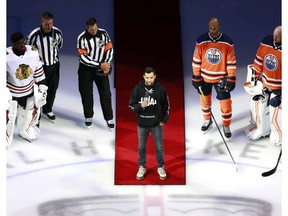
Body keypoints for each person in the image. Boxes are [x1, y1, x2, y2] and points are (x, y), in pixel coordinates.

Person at [191, 17, 237, 138]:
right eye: (210, 28)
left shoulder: (227, 41)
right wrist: (196, 76)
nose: (212, 30)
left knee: (226, 103)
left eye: (214, 28)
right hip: (205, 77)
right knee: (204, 100)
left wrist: (231, 78)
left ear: (219, 26)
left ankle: (226, 124)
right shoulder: (201, 40)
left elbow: (231, 61)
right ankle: (207, 120)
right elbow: (196, 60)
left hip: (221, 78)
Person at [129, 67, 170, 180]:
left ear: (155, 76)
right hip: (142, 124)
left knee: (159, 147)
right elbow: (131, 106)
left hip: (156, 124)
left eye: (151, 77)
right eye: (147, 77)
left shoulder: (160, 89)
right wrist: (140, 106)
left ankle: (160, 167)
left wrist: (164, 120)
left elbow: (167, 106)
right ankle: (142, 166)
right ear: (143, 77)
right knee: (141, 147)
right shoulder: (137, 89)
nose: (149, 80)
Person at [6, 32, 48, 142]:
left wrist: (42, 89)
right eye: (19, 43)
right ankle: (5, 134)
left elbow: (39, 73)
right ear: (13, 44)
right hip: (12, 93)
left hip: (28, 91)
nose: (23, 45)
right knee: (8, 115)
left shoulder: (33, 52)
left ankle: (25, 130)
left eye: (23, 42)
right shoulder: (6, 56)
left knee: (31, 112)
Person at [245, 26, 282, 145]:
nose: (274, 38)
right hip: (265, 83)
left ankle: (279, 136)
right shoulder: (266, 41)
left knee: (276, 113)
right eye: (274, 35)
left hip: (279, 88)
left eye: (278, 36)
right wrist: (253, 80)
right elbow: (259, 61)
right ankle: (260, 129)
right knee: (259, 108)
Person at [76, 17, 114, 130]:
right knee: (86, 93)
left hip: (102, 68)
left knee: (106, 93)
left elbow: (109, 49)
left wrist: (106, 64)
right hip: (86, 69)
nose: (94, 31)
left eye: (95, 29)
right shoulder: (81, 38)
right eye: (91, 30)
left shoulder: (103, 33)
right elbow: (83, 58)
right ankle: (88, 116)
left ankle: (109, 118)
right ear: (87, 28)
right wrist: (99, 65)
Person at [26, 11, 63, 123]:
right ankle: (37, 111)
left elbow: (59, 46)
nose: (49, 26)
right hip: (40, 68)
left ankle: (48, 109)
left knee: (53, 88)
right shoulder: (34, 35)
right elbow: (28, 50)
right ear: (42, 22)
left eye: (50, 23)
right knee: (39, 90)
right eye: (46, 24)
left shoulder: (57, 33)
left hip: (54, 65)